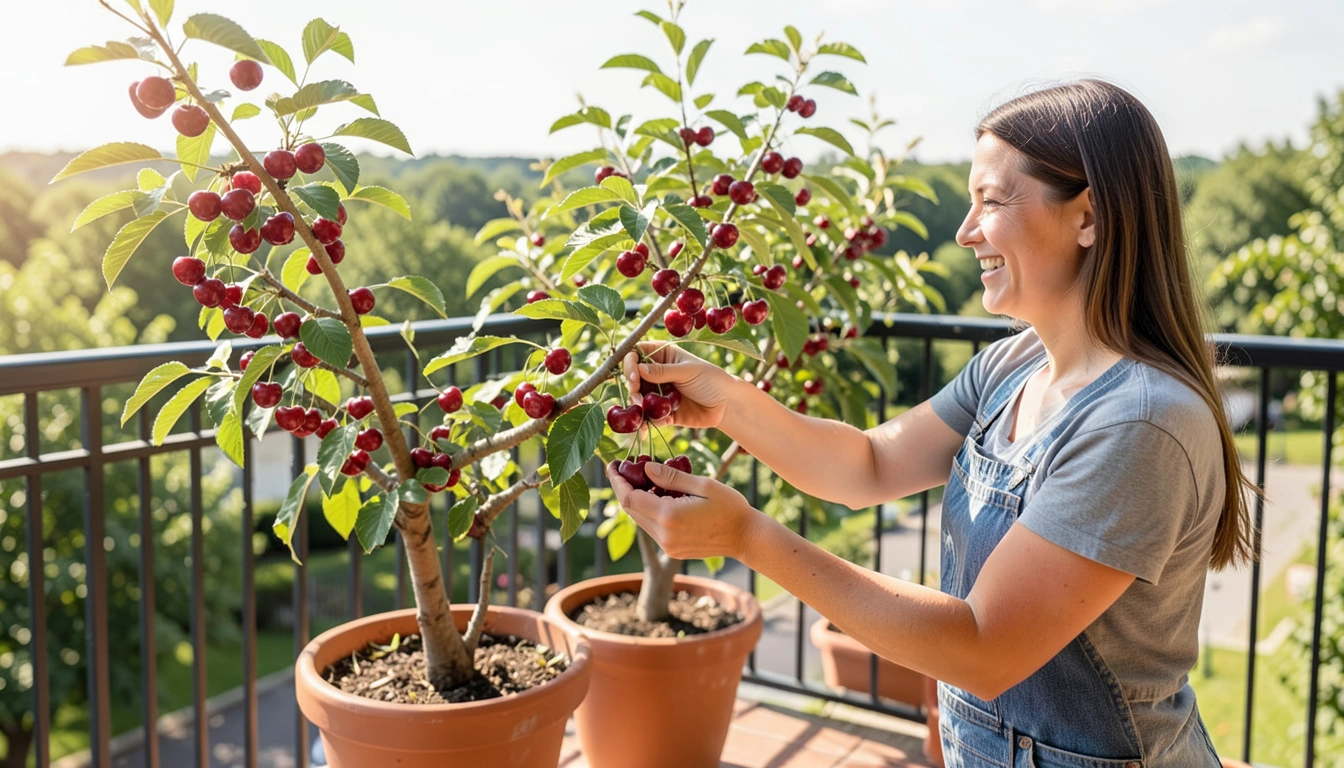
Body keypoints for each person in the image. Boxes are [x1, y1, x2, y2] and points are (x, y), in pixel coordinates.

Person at [606, 79, 1258, 767]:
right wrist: (729, 401)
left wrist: (747, 537)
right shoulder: (1015, 362)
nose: (964, 231)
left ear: (1089, 215)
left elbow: (980, 647)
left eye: (991, 202)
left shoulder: (1142, 425)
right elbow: (869, 464)